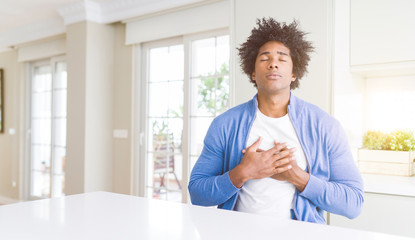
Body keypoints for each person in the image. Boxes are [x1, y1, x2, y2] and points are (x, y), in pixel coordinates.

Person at [188, 18, 364, 224]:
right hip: (236, 232)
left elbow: (353, 203)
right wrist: (242, 172)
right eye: (264, 58)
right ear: (252, 73)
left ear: (294, 73)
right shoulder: (225, 125)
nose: (273, 63)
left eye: (282, 58)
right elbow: (197, 194)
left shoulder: (324, 126)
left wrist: (296, 176)